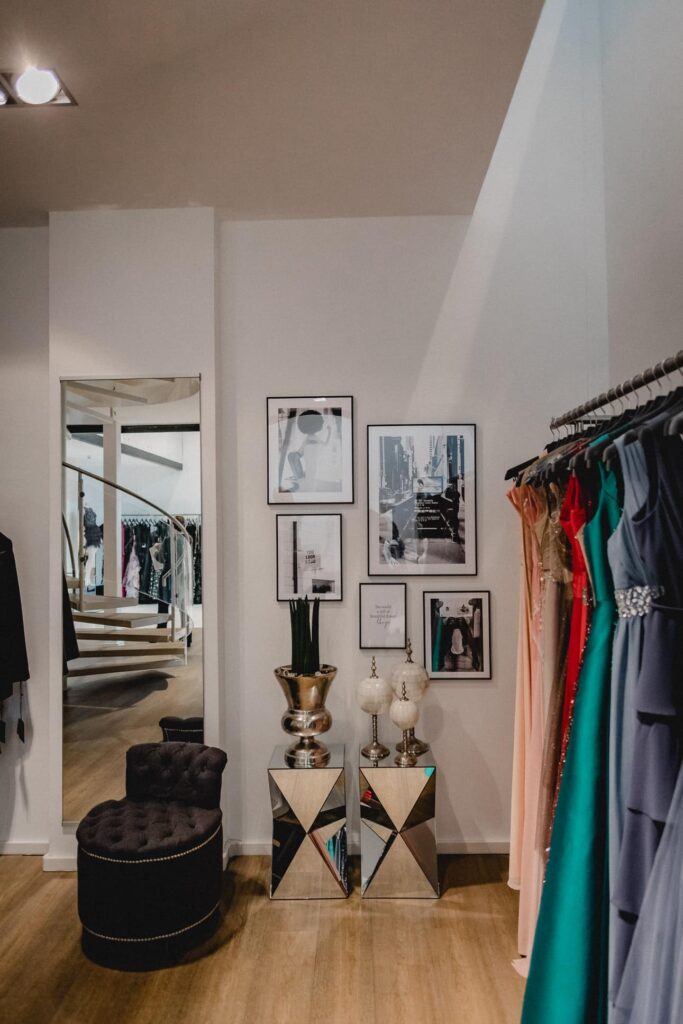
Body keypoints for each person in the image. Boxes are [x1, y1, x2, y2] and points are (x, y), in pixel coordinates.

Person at [443, 476, 462, 545]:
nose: (452, 485)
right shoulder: (449, 490)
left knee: (454, 520)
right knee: (453, 520)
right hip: (451, 507)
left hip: (453, 507)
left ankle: (454, 535)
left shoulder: (452, 490)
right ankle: (454, 535)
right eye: (451, 483)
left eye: (452, 484)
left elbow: (458, 496)